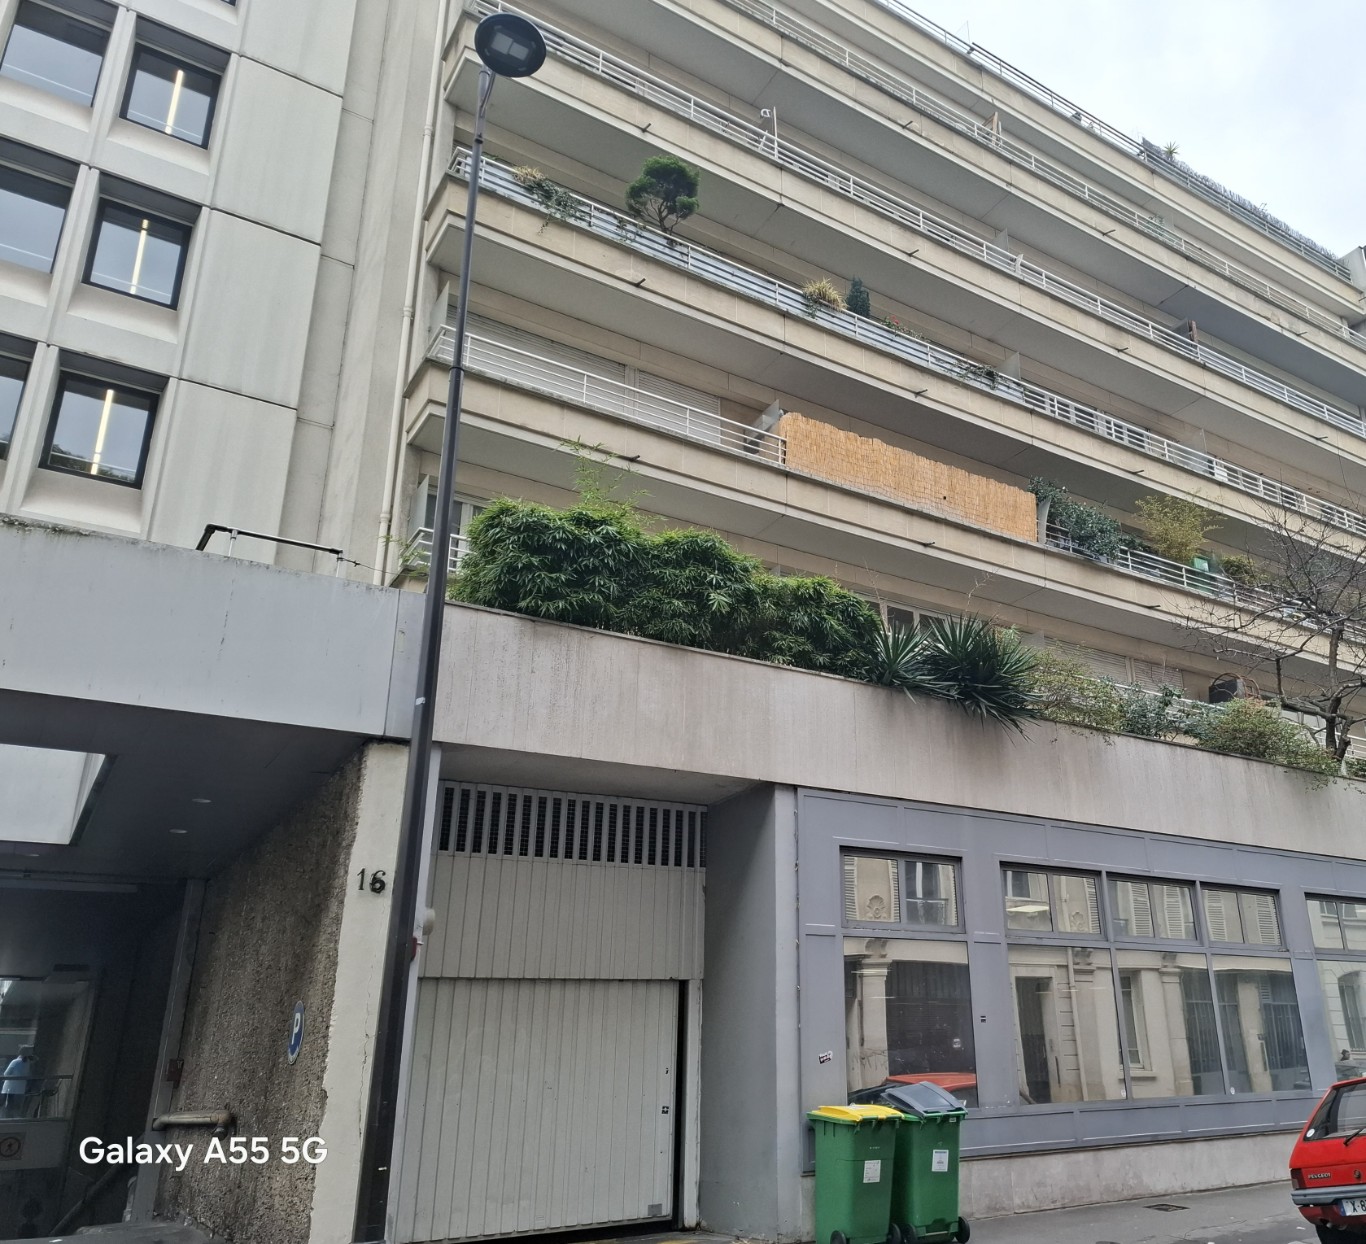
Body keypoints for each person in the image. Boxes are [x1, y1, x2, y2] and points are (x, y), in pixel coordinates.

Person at [1, 1045, 37, 1119]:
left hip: (10, 1089)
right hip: (21, 1089)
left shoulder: (15, 1062)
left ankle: (7, 1121)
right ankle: (17, 1119)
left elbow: (6, 1074)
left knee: (8, 1107)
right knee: (17, 1107)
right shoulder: (27, 1063)